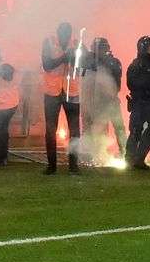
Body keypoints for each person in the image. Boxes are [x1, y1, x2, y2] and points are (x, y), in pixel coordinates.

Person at [40, 21, 82, 175]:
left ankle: (74, 165)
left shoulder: (77, 43)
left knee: (75, 130)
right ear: (58, 33)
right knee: (50, 129)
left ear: (70, 34)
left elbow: (85, 63)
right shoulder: (49, 42)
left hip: (72, 91)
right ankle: (52, 166)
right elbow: (46, 65)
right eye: (63, 34)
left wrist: (77, 57)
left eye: (68, 34)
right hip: (52, 92)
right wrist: (64, 57)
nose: (65, 37)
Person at [125, 35, 150, 169]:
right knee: (136, 131)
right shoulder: (136, 65)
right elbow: (132, 84)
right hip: (140, 103)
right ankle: (130, 160)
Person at [84, 37, 126, 164]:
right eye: (99, 48)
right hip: (94, 101)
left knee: (119, 128)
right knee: (98, 129)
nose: (101, 51)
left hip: (111, 100)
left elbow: (117, 85)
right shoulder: (88, 62)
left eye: (103, 48)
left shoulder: (113, 62)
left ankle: (125, 153)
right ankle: (96, 155)